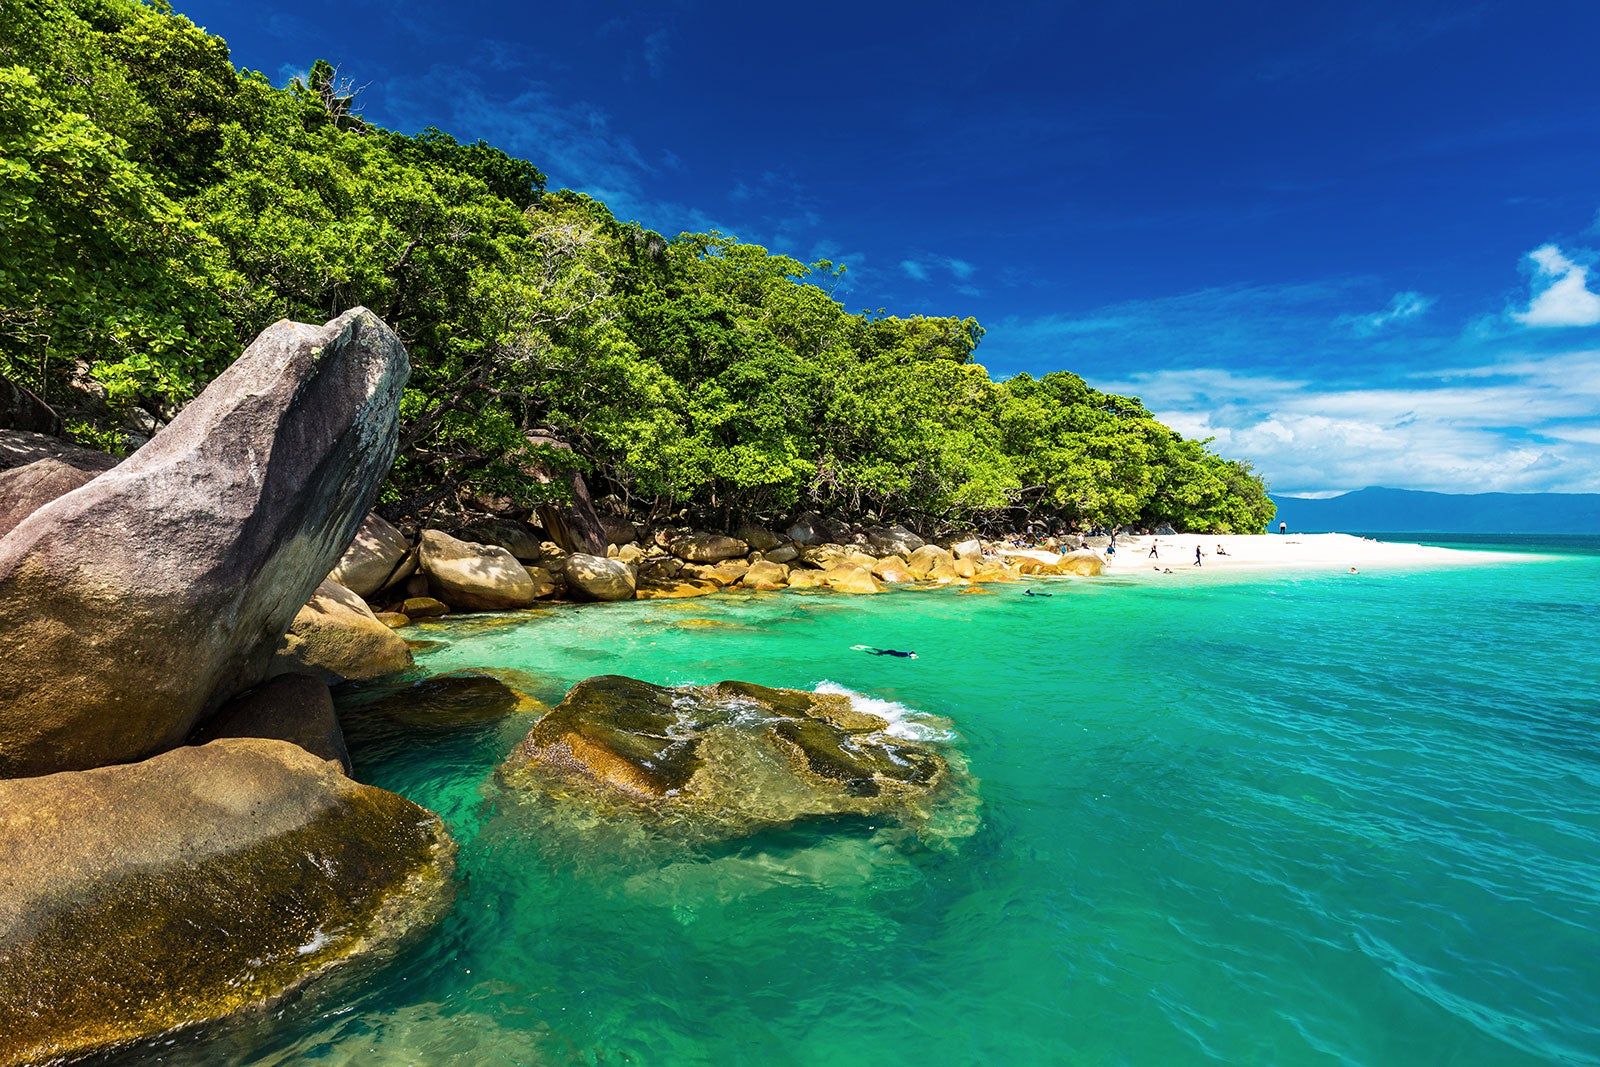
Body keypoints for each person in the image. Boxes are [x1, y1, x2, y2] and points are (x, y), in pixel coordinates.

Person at [852, 645, 917, 659]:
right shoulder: (906, 655)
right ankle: (863, 650)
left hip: (892, 651)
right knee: (877, 654)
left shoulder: (907, 653)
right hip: (891, 652)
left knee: (881, 651)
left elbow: (911, 655)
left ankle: (870, 647)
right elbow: (899, 656)